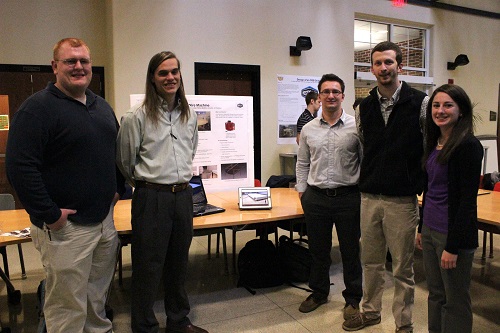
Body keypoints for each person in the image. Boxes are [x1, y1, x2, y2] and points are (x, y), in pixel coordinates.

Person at [5, 38, 123, 333]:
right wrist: (50, 213)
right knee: (65, 305)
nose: (79, 67)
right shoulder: (37, 110)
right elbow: (20, 167)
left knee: (96, 297)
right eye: (70, 61)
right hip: (66, 229)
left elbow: (114, 152)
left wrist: (119, 189)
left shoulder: (101, 107)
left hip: (103, 223)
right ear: (55, 66)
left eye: (84, 61)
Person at [116, 51, 207, 333]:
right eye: (163, 73)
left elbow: (190, 150)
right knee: (148, 266)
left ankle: (178, 320)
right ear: (152, 79)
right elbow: (124, 161)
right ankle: (144, 326)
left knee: (179, 262)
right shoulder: (136, 117)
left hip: (183, 196)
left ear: (180, 75)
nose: (170, 77)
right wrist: (149, 184)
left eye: (174, 72)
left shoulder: (189, 116)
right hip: (151, 197)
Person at [343, 41, 429, 333]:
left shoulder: (421, 102)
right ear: (372, 69)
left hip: (402, 200)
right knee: (370, 262)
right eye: (378, 63)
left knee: (403, 269)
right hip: (369, 197)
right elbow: (367, 148)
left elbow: (427, 148)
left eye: (388, 62)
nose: (383, 68)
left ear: (400, 65)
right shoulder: (363, 107)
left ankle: (404, 323)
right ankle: (370, 312)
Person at [415, 84, 483, 333]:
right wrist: (422, 228)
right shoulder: (436, 142)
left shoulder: (468, 146)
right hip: (432, 230)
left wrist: (453, 247)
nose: (440, 110)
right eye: (436, 105)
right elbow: (431, 190)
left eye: (447, 105)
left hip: (452, 235)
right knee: (435, 294)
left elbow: (466, 201)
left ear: (461, 110)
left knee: (455, 299)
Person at [295, 74, 363, 320]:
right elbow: (302, 163)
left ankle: (353, 298)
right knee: (318, 250)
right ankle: (319, 292)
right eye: (326, 91)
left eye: (336, 91)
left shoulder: (356, 126)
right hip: (316, 198)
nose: (331, 95)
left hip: (348, 197)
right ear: (319, 96)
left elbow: (364, 162)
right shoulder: (308, 129)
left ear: (343, 96)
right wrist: (302, 192)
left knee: (350, 251)